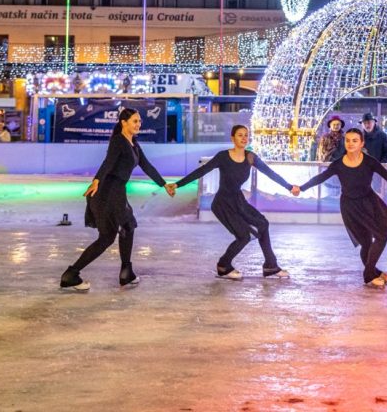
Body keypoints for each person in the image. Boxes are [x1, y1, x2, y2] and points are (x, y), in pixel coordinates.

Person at [59, 108, 171, 292]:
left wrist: (164, 184)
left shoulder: (133, 144)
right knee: (127, 226)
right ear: (123, 122)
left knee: (108, 237)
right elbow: (108, 162)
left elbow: (146, 166)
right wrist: (96, 180)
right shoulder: (119, 141)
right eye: (135, 121)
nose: (139, 124)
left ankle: (72, 274)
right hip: (107, 191)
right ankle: (125, 272)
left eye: (139, 121)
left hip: (115, 191)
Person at [165, 125, 292, 279]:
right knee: (243, 236)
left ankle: (271, 266)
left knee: (263, 224)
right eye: (240, 135)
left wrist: (289, 187)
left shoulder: (250, 157)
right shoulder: (223, 157)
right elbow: (202, 171)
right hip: (222, 204)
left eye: (246, 135)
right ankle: (223, 266)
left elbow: (270, 173)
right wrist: (177, 184)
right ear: (232, 138)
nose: (244, 138)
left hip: (238, 201)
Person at [293, 128, 387, 288]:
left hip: (370, 203)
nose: (350, 143)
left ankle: (370, 273)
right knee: (366, 243)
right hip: (350, 207)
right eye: (347, 140)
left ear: (362, 143)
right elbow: (320, 178)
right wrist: (301, 188)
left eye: (355, 140)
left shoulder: (370, 162)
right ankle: (373, 274)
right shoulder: (338, 165)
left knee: (382, 235)